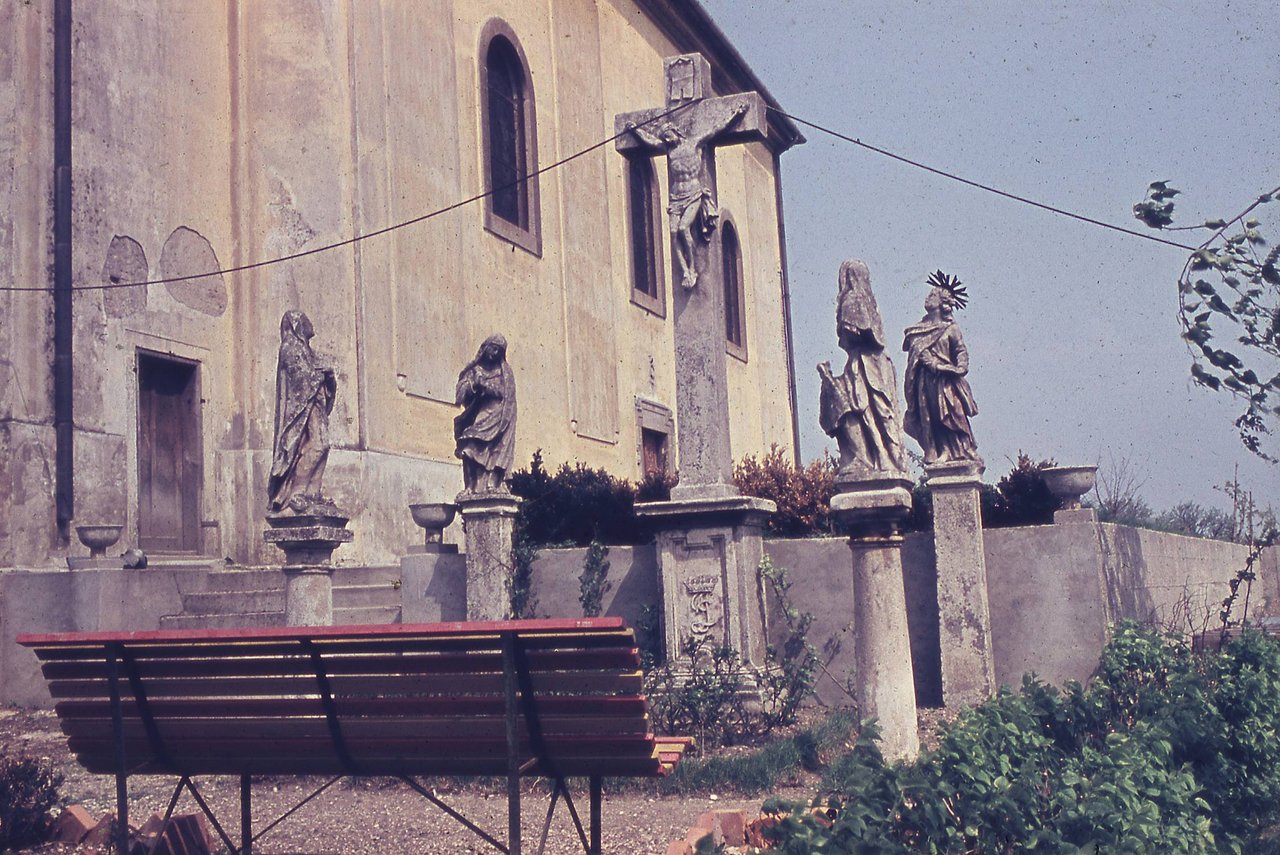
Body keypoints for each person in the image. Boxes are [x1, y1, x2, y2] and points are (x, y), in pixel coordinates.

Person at [624, 102, 748, 290]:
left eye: (669, 136)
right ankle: (685, 270)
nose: (667, 140)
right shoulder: (668, 150)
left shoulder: (694, 143)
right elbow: (650, 141)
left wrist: (736, 114)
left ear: (676, 132)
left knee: (683, 228)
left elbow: (717, 128)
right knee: (673, 232)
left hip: (693, 194)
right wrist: (635, 131)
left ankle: (693, 267)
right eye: (664, 138)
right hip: (676, 198)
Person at [817, 260, 907, 475]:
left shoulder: (852, 300)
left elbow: (853, 333)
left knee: (867, 410)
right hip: (877, 364)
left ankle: (883, 459)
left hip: (865, 365)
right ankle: (890, 460)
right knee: (882, 413)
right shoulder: (871, 303)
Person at [902, 280, 980, 464]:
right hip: (926, 381)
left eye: (932, 295)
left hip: (947, 380)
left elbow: (960, 350)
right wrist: (926, 361)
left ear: (941, 302)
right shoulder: (918, 330)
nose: (927, 298)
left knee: (955, 414)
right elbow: (913, 351)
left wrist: (959, 366)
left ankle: (963, 449)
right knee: (933, 416)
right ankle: (943, 450)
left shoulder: (951, 329)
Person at [267, 310, 337, 513]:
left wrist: (328, 376)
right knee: (316, 446)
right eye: (306, 319)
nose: (310, 322)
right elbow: (299, 379)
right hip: (302, 408)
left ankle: (313, 493)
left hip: (316, 404)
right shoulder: (290, 348)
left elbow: (320, 377)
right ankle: (297, 493)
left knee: (323, 446)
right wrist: (320, 373)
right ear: (298, 324)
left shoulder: (308, 351)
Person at [455, 334, 517, 493]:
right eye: (493, 348)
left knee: (496, 450)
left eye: (499, 351)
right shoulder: (474, 371)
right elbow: (461, 395)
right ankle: (470, 486)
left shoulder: (505, 372)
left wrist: (489, 387)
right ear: (485, 347)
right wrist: (474, 384)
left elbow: (507, 395)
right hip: (482, 414)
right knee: (469, 446)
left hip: (500, 415)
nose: (495, 353)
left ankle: (493, 483)